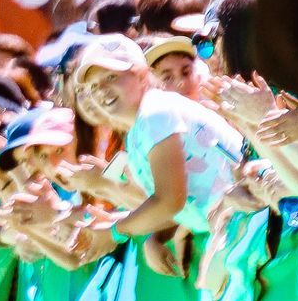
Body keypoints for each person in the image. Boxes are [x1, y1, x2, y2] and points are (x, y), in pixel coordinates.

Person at [73, 33, 244, 276]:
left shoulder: (155, 113)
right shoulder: (139, 128)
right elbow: (181, 204)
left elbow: (169, 200)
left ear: (142, 74)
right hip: (235, 224)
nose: (101, 90)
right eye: (93, 86)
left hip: (250, 219)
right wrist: (128, 226)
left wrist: (115, 231)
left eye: (111, 77)